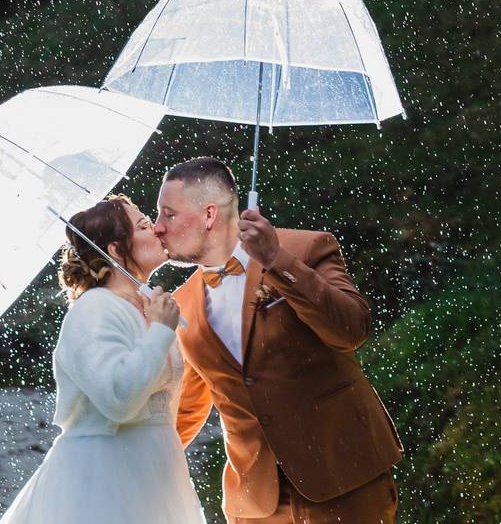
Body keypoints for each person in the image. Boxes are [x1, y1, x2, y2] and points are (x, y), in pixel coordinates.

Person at [154, 157, 403, 524]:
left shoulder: (306, 249)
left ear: (209, 215)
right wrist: (139, 464)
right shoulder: (182, 304)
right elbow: (192, 405)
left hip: (345, 478)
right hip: (254, 503)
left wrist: (275, 259)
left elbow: (351, 330)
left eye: (167, 214)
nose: (157, 228)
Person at [0, 194, 206, 524]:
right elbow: (118, 399)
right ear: (115, 249)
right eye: (144, 225)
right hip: (102, 479)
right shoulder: (93, 310)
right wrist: (159, 333)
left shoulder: (150, 309)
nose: (158, 230)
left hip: (157, 476)